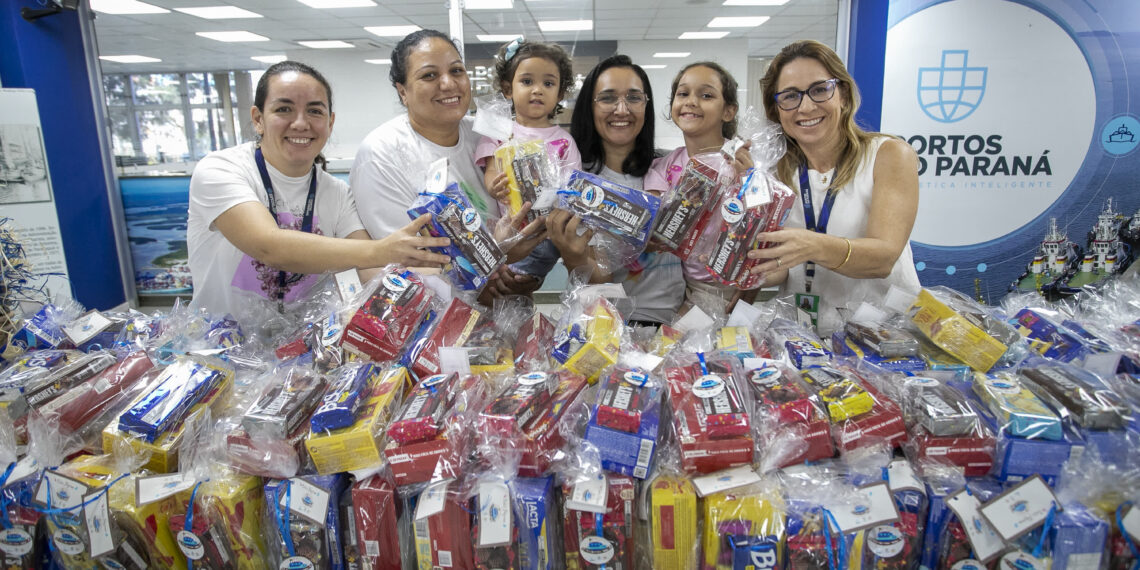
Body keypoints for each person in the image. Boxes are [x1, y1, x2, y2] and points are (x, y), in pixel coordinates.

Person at [186, 61, 450, 316]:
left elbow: (368, 269)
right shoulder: (221, 170)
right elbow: (269, 247)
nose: (301, 123)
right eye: (284, 110)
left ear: (330, 122)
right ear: (258, 119)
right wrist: (383, 250)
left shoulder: (337, 193)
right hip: (216, 349)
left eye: (314, 111)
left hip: (299, 352)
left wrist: (445, 276)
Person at [350, 29, 545, 298]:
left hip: (506, 313)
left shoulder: (487, 137)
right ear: (402, 91)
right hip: (437, 325)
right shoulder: (381, 153)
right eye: (429, 75)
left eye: (456, 71)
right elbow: (404, 264)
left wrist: (527, 268)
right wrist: (495, 258)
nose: (448, 84)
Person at [748, 39, 921, 334]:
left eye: (819, 90)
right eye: (790, 96)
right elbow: (780, 269)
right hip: (804, 335)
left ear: (842, 93)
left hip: (884, 334)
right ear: (776, 110)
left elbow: (883, 258)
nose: (805, 106)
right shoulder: (774, 171)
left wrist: (810, 245)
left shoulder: (889, 154)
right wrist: (736, 257)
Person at [547, 55, 686, 326]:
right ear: (590, 106)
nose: (622, 110)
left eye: (634, 98)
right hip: (598, 327)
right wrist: (574, 256)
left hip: (670, 327)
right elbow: (594, 279)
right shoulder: (573, 181)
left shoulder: (671, 169)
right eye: (608, 98)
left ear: (647, 105)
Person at [645, 61, 754, 313]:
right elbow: (652, 230)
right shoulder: (664, 167)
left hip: (723, 287)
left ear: (728, 111)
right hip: (672, 286)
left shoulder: (743, 162)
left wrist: (750, 180)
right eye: (683, 94)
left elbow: (765, 222)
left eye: (706, 95)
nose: (691, 101)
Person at [473, 39, 581, 283]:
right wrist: (494, 185)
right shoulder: (500, 131)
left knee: (522, 280)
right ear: (508, 89)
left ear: (560, 93)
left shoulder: (564, 141)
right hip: (509, 230)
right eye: (527, 81)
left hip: (547, 232)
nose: (537, 89)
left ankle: (526, 278)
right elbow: (491, 170)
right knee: (500, 281)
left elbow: (572, 187)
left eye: (548, 83)